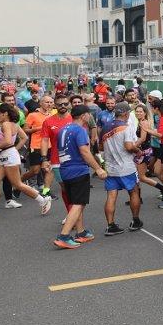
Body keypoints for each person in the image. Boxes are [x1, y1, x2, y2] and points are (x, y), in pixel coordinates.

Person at [53, 105, 106, 248]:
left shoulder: (63, 129)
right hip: (77, 170)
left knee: (76, 202)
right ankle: (64, 236)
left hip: (65, 169)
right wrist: (98, 168)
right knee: (78, 204)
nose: (90, 117)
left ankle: (81, 232)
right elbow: (85, 151)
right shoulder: (80, 130)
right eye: (89, 115)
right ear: (84, 116)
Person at [0, 104, 50, 221]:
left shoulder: (6, 124)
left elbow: (8, 141)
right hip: (5, 155)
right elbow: (24, 138)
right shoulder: (14, 124)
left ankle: (43, 200)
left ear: (5, 113)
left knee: (17, 184)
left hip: (8, 156)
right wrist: (14, 149)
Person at [100, 103, 145, 235]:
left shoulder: (105, 127)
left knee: (111, 195)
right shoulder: (126, 127)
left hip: (110, 167)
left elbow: (100, 147)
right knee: (134, 192)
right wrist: (138, 151)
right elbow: (129, 146)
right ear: (125, 113)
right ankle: (135, 220)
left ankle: (110, 225)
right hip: (126, 167)